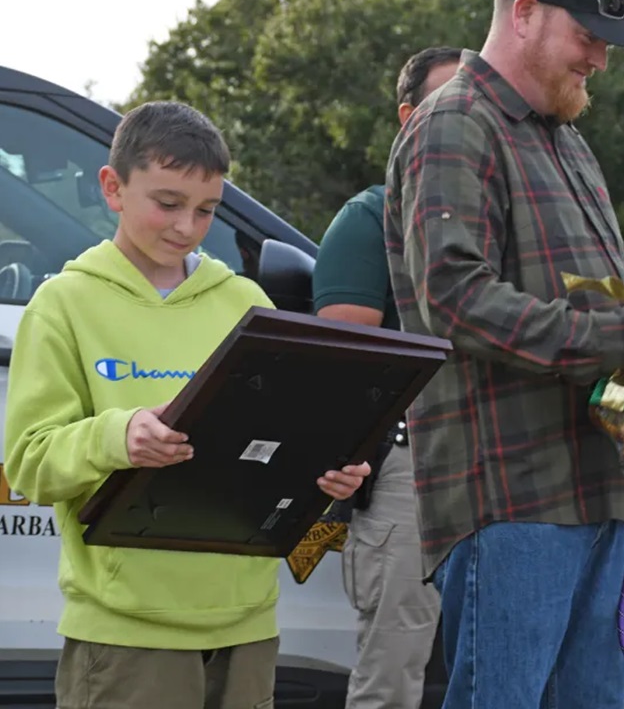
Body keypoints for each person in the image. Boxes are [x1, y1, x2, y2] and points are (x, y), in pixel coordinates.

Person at [383, 0, 624, 707]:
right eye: (587, 35)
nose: (600, 56)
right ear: (525, 11)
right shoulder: (453, 125)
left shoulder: (567, 139)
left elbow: (599, 306)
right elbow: (455, 301)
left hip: (599, 487)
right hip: (511, 502)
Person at [2, 100, 369, 708]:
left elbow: (275, 445)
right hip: (128, 629)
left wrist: (326, 476)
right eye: (167, 203)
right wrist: (119, 437)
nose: (186, 227)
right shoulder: (64, 304)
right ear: (112, 187)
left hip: (247, 622)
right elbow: (31, 464)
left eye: (206, 210)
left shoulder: (245, 302)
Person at [312, 44, 461, 709]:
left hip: (499, 468)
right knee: (395, 672)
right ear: (408, 117)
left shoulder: (506, 214)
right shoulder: (369, 217)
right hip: (406, 467)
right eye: (447, 104)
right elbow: (345, 368)